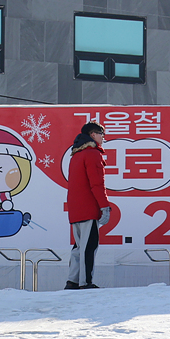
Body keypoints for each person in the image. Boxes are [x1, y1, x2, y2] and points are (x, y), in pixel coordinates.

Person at [63, 122, 110, 290]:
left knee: (78, 247)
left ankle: (72, 280)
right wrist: (104, 206)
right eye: (100, 133)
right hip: (88, 208)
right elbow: (97, 184)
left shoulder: (76, 155)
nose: (103, 137)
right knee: (89, 247)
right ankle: (85, 282)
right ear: (92, 135)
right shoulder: (92, 154)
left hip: (76, 210)